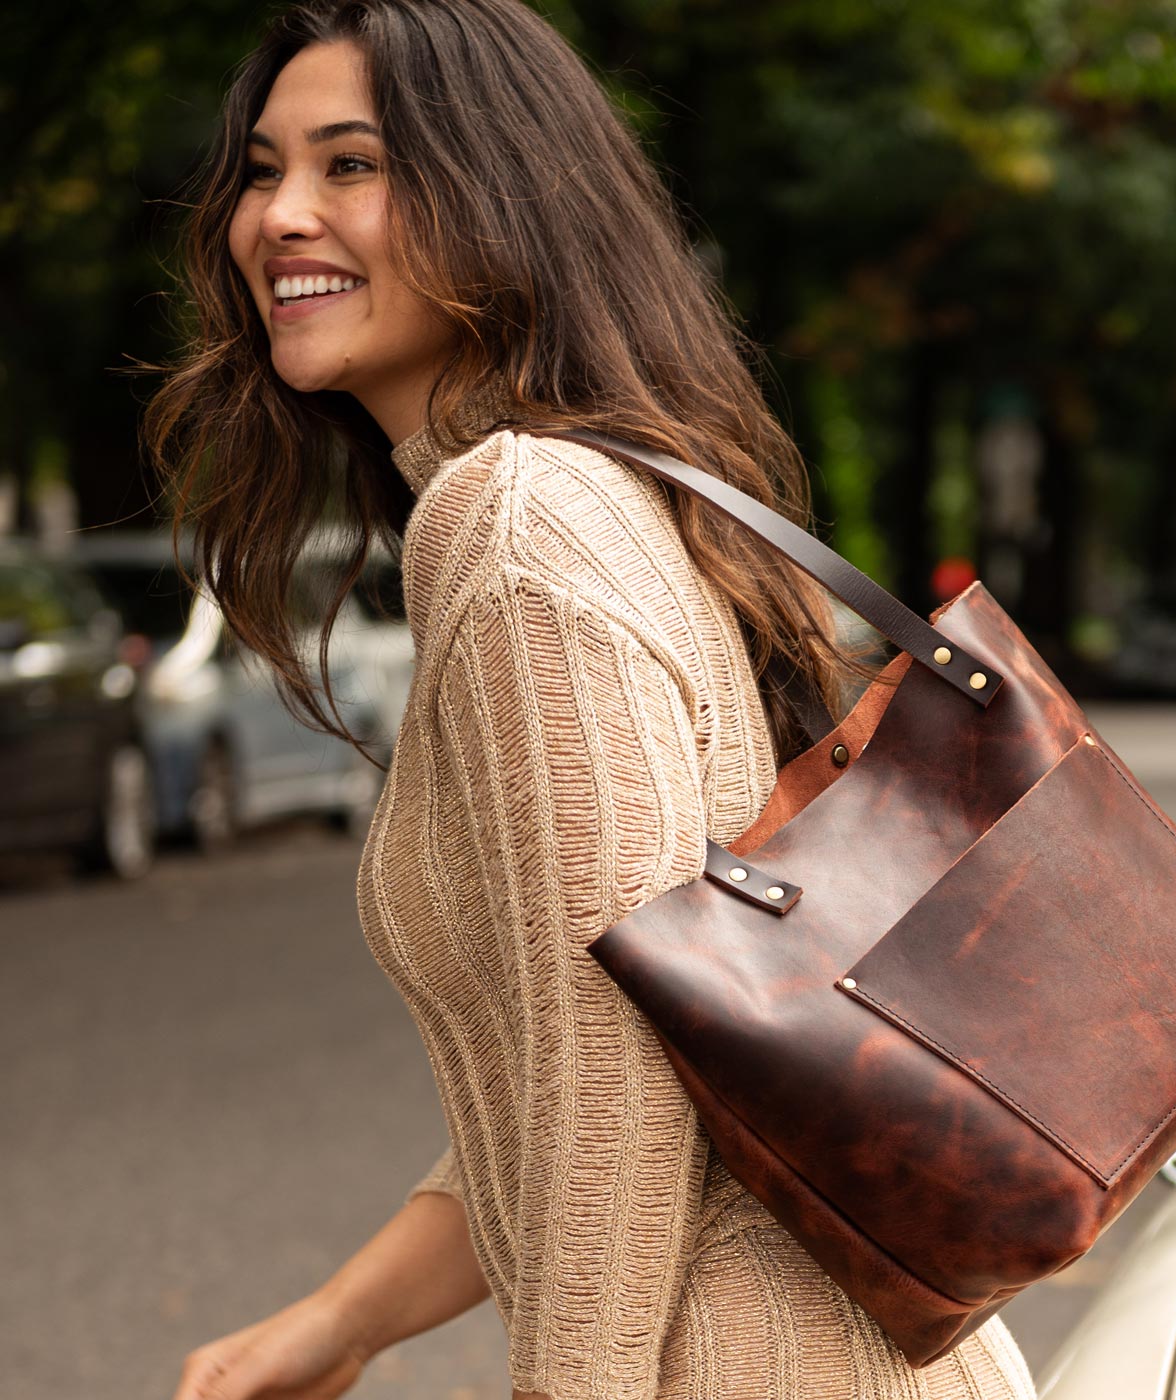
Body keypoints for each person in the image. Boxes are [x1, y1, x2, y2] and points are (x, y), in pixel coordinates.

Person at [147, 3, 1039, 1397]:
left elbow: (609, 1077)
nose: (280, 217)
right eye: (263, 170)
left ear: (495, 195)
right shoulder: (598, 492)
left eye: (353, 166)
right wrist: (342, 1320)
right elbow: (610, 1052)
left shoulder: (516, 514)